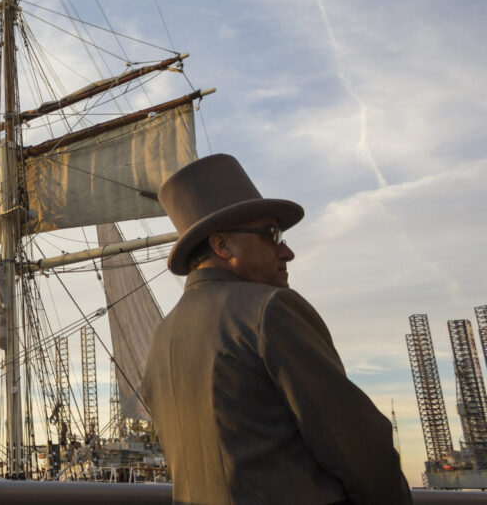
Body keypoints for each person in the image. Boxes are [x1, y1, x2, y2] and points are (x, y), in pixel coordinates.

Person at [143, 154, 410, 504]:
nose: (287, 251)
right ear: (221, 245)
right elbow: (360, 447)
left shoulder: (161, 340)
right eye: (271, 234)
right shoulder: (269, 310)